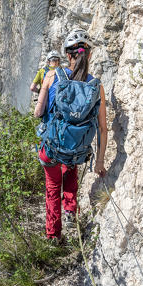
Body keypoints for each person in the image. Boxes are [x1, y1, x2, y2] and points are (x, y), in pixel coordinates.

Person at [34, 29, 107, 241]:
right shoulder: (96, 86)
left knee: (52, 187)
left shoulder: (51, 75)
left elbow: (38, 112)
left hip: (51, 148)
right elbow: (102, 128)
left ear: (67, 55)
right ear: (90, 54)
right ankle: (70, 211)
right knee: (70, 168)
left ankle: (53, 235)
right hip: (76, 149)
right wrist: (99, 161)